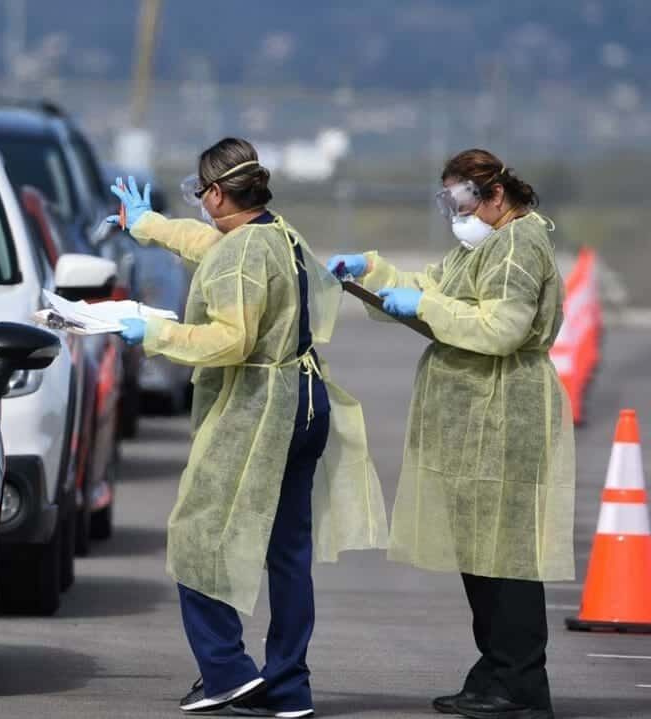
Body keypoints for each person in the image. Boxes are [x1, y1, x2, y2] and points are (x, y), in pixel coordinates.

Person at [109, 138, 387, 717]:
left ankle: (227, 672)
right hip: (306, 401)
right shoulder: (278, 234)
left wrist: (153, 333)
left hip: (260, 408)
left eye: (199, 193)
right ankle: (288, 685)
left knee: (197, 535)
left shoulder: (242, 254)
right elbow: (212, 246)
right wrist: (150, 225)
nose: (200, 205)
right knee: (287, 553)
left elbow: (230, 338)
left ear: (215, 192)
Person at [328, 149, 574, 719]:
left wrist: (427, 305)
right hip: (474, 418)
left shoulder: (518, 245)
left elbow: (502, 328)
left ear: (495, 195)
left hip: (504, 411)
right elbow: (430, 287)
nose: (453, 213)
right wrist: (371, 272)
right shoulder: (486, 245)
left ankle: (520, 684)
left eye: (460, 199)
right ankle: (494, 673)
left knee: (507, 556)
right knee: (481, 553)